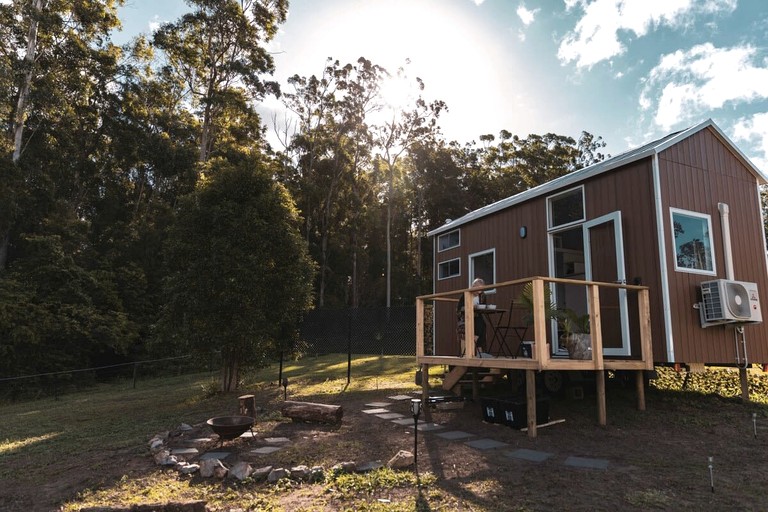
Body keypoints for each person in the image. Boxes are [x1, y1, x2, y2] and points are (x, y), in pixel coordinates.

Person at [456, 278, 487, 356]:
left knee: (483, 323)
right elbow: (459, 308)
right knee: (480, 322)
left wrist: (479, 307)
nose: (479, 292)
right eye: (477, 290)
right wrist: (470, 307)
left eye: (481, 290)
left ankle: (478, 348)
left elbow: (483, 306)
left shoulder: (482, 295)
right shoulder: (466, 294)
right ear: (473, 287)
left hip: (477, 316)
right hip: (466, 317)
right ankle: (476, 347)